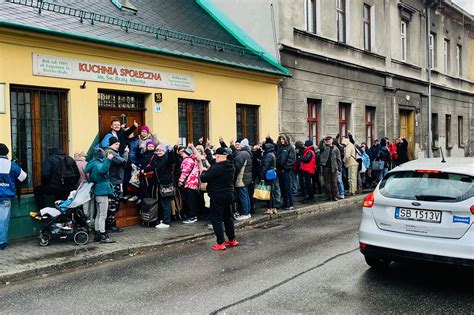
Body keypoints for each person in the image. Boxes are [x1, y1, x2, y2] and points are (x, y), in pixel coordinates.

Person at [200, 147, 238, 251]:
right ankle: (232, 239)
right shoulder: (231, 164)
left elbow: (204, 178)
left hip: (217, 195)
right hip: (229, 194)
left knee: (216, 219)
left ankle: (220, 242)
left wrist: (203, 171)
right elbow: (213, 162)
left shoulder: (217, 167)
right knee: (228, 217)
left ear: (217, 156)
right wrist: (207, 151)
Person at [85, 148, 115, 243]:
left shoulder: (93, 163)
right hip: (102, 191)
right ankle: (103, 235)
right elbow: (103, 170)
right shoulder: (99, 164)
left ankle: (97, 234)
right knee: (103, 215)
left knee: (98, 214)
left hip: (97, 190)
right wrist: (108, 159)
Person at [0, 144, 27, 250]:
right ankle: (1, 242)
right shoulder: (11, 165)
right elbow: (24, 177)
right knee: (3, 221)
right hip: (5, 197)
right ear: (7, 153)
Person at [104, 136, 129, 232]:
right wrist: (126, 153)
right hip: (114, 181)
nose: (118, 146)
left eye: (118, 144)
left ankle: (110, 225)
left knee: (113, 203)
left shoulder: (112, 152)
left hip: (115, 180)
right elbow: (123, 161)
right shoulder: (111, 152)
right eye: (116, 144)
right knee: (113, 204)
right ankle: (110, 226)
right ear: (111, 144)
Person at [154, 144, 175, 229]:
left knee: (166, 202)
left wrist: (170, 151)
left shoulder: (166, 158)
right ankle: (164, 219)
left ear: (164, 151)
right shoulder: (157, 159)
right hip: (160, 184)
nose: (159, 152)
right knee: (163, 202)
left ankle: (166, 222)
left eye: (161, 150)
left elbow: (172, 160)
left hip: (166, 184)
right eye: (158, 150)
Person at [178, 145, 200, 223]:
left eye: (183, 153)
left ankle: (192, 217)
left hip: (189, 183)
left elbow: (185, 172)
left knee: (190, 200)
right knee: (193, 199)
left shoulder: (187, 160)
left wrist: (180, 181)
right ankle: (194, 216)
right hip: (194, 183)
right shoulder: (193, 160)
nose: (182, 154)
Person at [234, 138, 253, 221]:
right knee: (246, 195)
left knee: (243, 195)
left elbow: (236, 166)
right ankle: (247, 212)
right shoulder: (248, 153)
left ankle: (245, 213)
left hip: (241, 177)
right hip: (247, 177)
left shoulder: (241, 154)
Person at [275, 134, 296, 210]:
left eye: (283, 139)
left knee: (288, 187)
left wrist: (285, 167)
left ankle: (290, 204)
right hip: (279, 170)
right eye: (280, 139)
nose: (281, 141)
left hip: (286, 171)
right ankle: (285, 203)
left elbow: (291, 159)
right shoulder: (280, 147)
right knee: (282, 188)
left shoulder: (290, 148)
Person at [318, 136, 342, 201]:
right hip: (325, 167)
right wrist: (322, 139)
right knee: (326, 183)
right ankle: (328, 196)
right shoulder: (324, 147)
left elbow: (338, 159)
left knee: (334, 183)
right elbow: (319, 147)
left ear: (332, 140)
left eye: (329, 140)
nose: (327, 141)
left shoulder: (336, 149)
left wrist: (340, 168)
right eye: (326, 140)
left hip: (334, 167)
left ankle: (335, 196)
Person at [261, 142, 278, 215]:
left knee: (268, 193)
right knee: (272, 192)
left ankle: (269, 209)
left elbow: (264, 167)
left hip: (268, 175)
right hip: (272, 175)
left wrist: (262, 176)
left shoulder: (268, 155)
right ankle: (274, 208)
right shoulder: (272, 154)